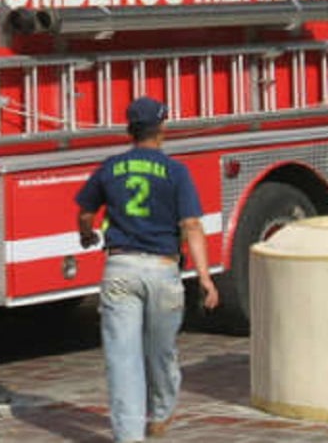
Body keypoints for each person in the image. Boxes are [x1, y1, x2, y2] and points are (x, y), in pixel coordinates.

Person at [75, 96, 219, 442]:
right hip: (162, 269)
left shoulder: (110, 167)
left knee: (122, 358)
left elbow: (84, 210)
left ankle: (128, 436)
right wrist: (205, 278)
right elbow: (192, 225)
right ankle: (161, 412)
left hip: (120, 268)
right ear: (162, 129)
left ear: (130, 130)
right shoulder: (176, 171)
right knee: (162, 351)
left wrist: (86, 234)